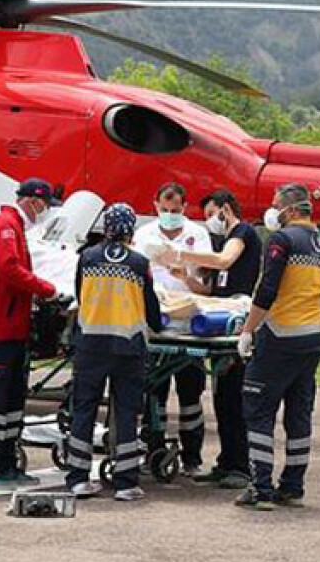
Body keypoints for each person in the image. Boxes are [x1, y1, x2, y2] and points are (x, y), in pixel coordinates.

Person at [235, 183, 320, 511]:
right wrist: (317, 333)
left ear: (291, 210)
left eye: (275, 204)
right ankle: (293, 486)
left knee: (259, 409)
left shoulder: (282, 240)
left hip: (279, 335)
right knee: (299, 413)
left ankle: (261, 488)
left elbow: (267, 290)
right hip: (311, 339)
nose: (271, 209)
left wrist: (248, 331)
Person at [161, 189, 262, 489]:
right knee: (221, 398)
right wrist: (184, 278)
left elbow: (223, 261)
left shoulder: (243, 233)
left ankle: (240, 465)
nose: (208, 223)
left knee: (234, 397)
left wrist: (179, 252)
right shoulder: (223, 241)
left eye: (210, 215)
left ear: (226, 210)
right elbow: (209, 291)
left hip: (236, 320)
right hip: (221, 315)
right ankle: (226, 462)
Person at [64, 203, 164, 501]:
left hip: (91, 344)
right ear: (130, 230)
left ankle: (79, 478)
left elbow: (80, 294)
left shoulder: (87, 258)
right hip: (127, 346)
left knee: (84, 409)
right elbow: (152, 309)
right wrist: (157, 324)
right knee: (125, 412)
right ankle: (126, 482)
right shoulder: (139, 263)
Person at [0, 177, 58, 488]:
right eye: (44, 205)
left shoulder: (13, 228)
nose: (44, 211)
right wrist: (44, 288)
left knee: (10, 401)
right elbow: (8, 268)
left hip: (10, 327)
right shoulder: (5, 227)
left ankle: (4, 463)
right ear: (34, 200)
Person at [130, 182, 213, 475]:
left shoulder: (198, 235)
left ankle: (192, 458)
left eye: (175, 211)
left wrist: (184, 274)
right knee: (154, 391)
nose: (169, 215)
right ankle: (153, 450)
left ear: (184, 208)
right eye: (164, 210)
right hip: (155, 324)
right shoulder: (144, 236)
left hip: (190, 324)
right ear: (155, 206)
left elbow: (206, 282)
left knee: (191, 395)